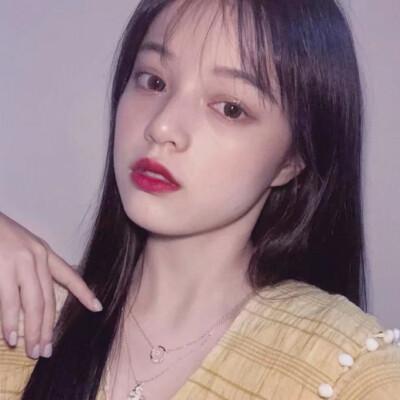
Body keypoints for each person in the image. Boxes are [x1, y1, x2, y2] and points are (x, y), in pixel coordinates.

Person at [0, 0, 399, 399]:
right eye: (154, 82)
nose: (162, 126)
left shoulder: (347, 371)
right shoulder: (19, 315)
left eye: (230, 109)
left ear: (292, 160)